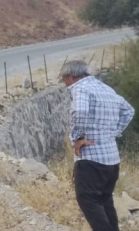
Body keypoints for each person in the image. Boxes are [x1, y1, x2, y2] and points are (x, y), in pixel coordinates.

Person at [61, 60, 135, 231]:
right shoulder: (106, 89)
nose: (64, 84)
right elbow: (129, 110)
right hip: (111, 158)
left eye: (64, 79)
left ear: (71, 77)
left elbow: (79, 112)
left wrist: (78, 138)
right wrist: (112, 133)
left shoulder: (81, 88)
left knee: (87, 199)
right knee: (104, 200)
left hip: (91, 158)